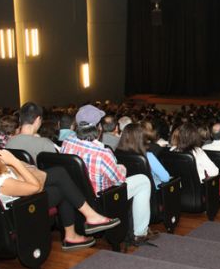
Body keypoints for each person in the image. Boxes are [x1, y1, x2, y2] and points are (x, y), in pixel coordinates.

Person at [0, 131, 120, 250]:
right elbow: (35, 187)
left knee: (59, 175)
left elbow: (30, 179)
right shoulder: (1, 182)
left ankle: (82, 225)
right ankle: (81, 226)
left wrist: (17, 168)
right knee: (61, 188)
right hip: (19, 212)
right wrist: (14, 162)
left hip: (14, 203)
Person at [61, 104, 157, 245]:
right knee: (143, 181)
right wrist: (121, 168)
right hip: (103, 200)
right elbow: (119, 181)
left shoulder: (66, 144)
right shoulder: (103, 153)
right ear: (99, 128)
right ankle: (140, 233)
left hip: (77, 197)